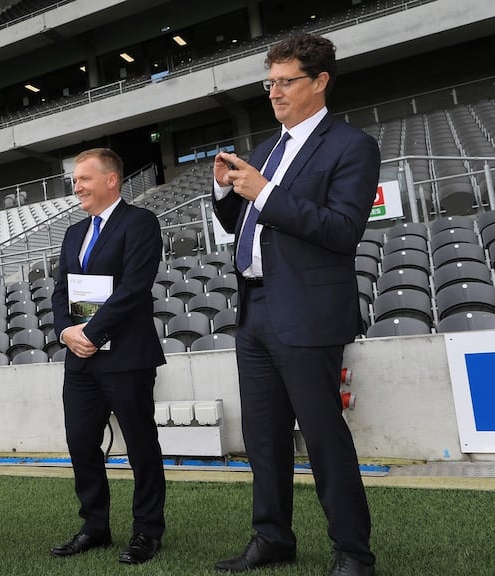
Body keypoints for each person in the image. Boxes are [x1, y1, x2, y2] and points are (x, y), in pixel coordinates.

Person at [211, 34, 379, 576]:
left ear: (320, 81)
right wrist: (225, 196)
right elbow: (246, 228)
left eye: (286, 82)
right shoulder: (265, 150)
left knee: (324, 437)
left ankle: (353, 552)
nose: (275, 93)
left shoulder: (350, 146)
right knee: (262, 438)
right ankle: (273, 539)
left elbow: (341, 230)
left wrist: (262, 191)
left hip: (306, 312)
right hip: (255, 311)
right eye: (270, 83)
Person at [49, 148, 167, 565]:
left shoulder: (140, 223)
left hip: (126, 356)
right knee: (81, 442)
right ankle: (94, 526)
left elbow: (134, 289)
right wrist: (67, 332)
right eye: (75, 181)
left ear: (111, 180)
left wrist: (93, 333)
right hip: (81, 358)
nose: (76, 187)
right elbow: (61, 291)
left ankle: (147, 531)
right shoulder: (72, 233)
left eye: (83, 179)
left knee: (140, 445)